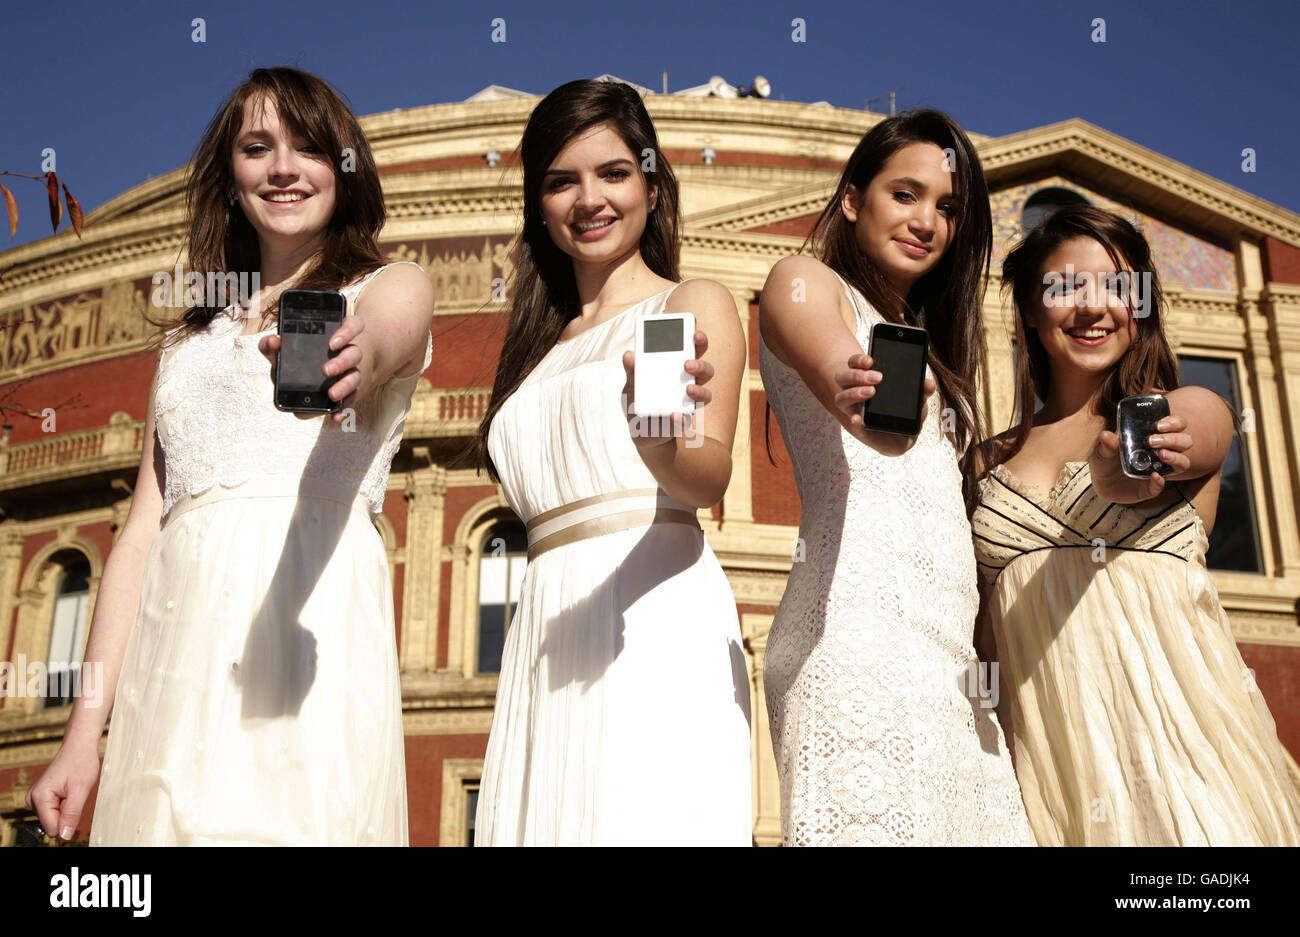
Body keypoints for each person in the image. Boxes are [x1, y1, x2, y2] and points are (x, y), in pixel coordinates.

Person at [26, 66, 433, 845]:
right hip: (172, 669)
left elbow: (390, 330)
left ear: (344, 170)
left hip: (304, 646)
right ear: (230, 175)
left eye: (310, 147)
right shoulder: (184, 344)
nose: (284, 167)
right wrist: (84, 734)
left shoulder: (391, 283)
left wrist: (356, 356)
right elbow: (139, 538)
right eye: (257, 148)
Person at [474, 78, 752, 845]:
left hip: (654, 606)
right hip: (547, 623)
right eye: (561, 181)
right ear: (539, 204)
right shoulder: (535, 349)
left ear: (652, 185)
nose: (588, 198)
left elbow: (707, 475)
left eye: (614, 173)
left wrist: (657, 435)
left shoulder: (690, 302)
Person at [973, 204, 1300, 845]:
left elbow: (1189, 438)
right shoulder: (983, 461)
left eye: (1119, 288)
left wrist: (1122, 475)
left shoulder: (1194, 406)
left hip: (1186, 761)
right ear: (1032, 312)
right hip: (1047, 771)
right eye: (1067, 287)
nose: (1094, 307)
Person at [758, 108, 1033, 845]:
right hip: (854, 644)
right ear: (852, 200)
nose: (928, 221)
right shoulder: (805, 281)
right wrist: (852, 382)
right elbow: (829, 352)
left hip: (952, 665)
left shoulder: (931, 349)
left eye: (947, 208)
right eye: (904, 195)